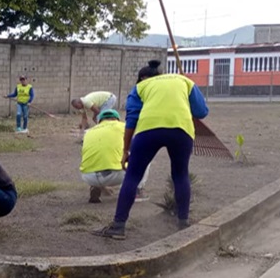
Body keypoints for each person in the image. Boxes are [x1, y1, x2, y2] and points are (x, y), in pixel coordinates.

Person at [93, 60, 208, 240]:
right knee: (180, 175)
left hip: (148, 130)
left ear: (143, 77)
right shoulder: (184, 81)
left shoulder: (140, 87)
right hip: (181, 130)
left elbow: (131, 120)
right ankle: (183, 223)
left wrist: (125, 150)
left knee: (133, 176)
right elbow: (202, 112)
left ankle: (118, 226)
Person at [80, 109, 149, 204]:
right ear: (117, 119)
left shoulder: (89, 132)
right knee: (144, 154)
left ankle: (97, 186)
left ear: (100, 121)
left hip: (88, 176)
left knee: (97, 155)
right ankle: (135, 191)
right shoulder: (124, 127)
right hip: (116, 175)